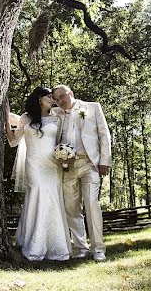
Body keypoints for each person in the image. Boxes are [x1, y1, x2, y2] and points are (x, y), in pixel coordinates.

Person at [5, 87, 71, 262]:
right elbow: (13, 142)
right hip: (34, 164)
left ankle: (55, 245)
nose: (51, 99)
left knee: (52, 199)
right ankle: (34, 244)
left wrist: (64, 155)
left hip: (52, 165)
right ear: (39, 99)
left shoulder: (57, 118)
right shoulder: (26, 118)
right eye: (48, 96)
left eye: (52, 97)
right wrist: (6, 120)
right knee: (38, 196)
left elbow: (60, 142)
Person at [51, 84, 112, 261]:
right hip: (67, 166)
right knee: (71, 208)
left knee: (92, 204)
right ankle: (80, 247)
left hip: (89, 164)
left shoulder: (92, 107)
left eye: (62, 96)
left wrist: (105, 161)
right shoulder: (55, 114)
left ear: (71, 93)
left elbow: (104, 134)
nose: (59, 101)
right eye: (56, 99)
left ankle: (98, 248)